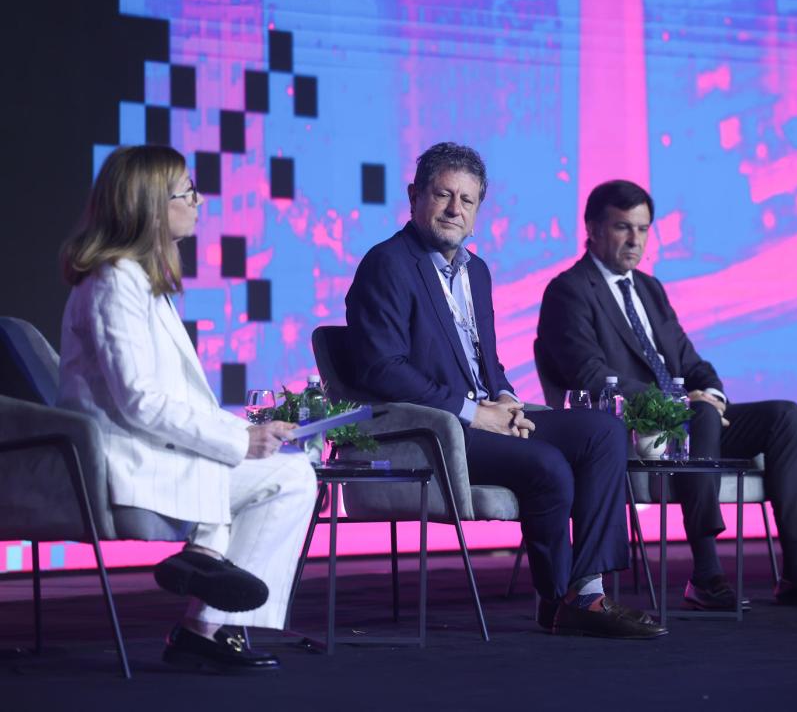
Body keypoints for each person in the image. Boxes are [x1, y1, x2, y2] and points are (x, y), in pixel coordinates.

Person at [345, 143, 665, 639]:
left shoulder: (477, 271)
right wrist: (475, 413)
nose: (454, 209)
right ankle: (559, 601)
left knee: (603, 431)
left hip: (485, 419)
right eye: (443, 194)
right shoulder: (387, 264)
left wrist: (508, 399)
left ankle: (588, 590)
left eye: (467, 200)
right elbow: (381, 369)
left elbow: (487, 362)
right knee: (548, 465)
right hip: (436, 430)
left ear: (477, 212)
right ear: (414, 197)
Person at [537, 180, 797, 610]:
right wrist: (680, 406)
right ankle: (706, 574)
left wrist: (709, 394)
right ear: (592, 228)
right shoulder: (568, 291)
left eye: (643, 229)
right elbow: (591, 376)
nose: (635, 240)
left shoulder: (649, 289)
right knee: (700, 419)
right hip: (631, 429)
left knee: (783, 415)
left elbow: (692, 363)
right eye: (622, 227)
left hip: (690, 420)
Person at [57, 145, 319, 673]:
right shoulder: (113, 281)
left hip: (156, 452)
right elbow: (141, 401)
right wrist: (239, 440)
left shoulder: (141, 282)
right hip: (127, 462)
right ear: (152, 206)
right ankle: (208, 603)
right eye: (187, 192)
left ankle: (206, 598)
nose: (199, 201)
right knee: (288, 478)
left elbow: (171, 400)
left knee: (291, 472)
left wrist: (248, 434)